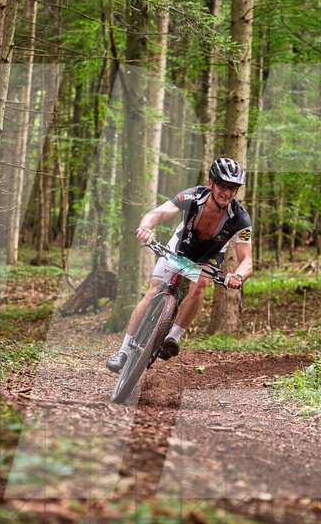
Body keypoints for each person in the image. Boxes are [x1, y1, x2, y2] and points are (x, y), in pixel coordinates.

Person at [106, 157, 253, 373]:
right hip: (180, 246)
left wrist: (237, 276)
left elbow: (247, 260)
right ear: (211, 184)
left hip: (208, 256)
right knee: (153, 292)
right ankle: (124, 351)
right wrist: (145, 227)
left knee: (200, 284)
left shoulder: (241, 218)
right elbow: (158, 213)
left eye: (233, 188)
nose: (227, 193)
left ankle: (172, 338)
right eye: (223, 185)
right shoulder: (193, 196)